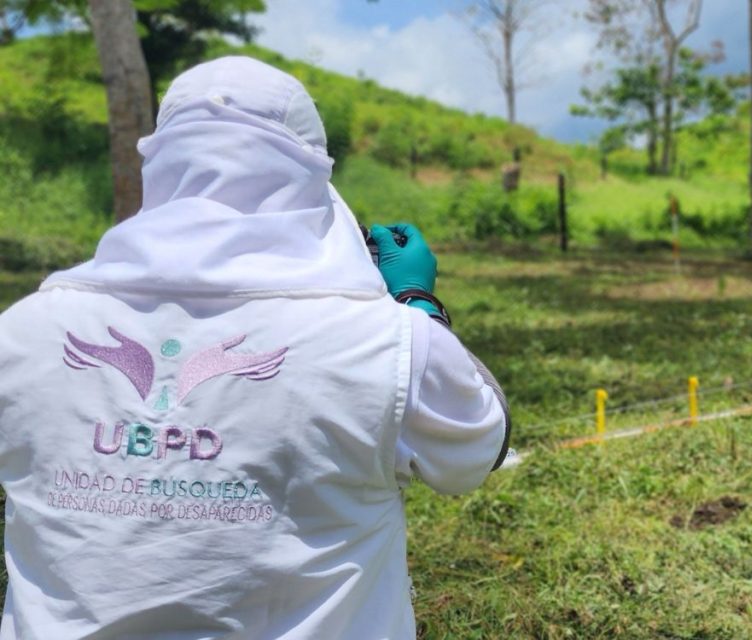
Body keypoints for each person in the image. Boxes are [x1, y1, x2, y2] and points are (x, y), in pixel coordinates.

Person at [0, 56, 510, 639]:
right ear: (311, 174)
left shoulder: (21, 333)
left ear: (160, 165)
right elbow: (475, 449)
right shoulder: (385, 343)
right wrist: (419, 306)